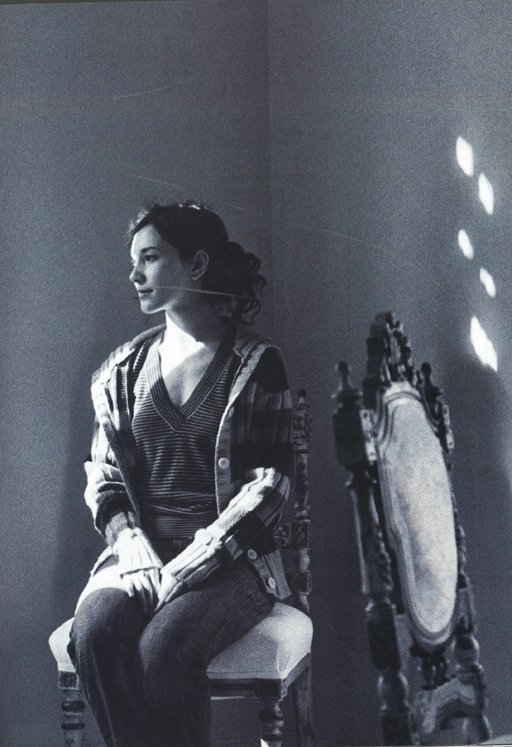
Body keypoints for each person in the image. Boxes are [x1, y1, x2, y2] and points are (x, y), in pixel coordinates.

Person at [68, 200, 293, 747]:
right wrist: (130, 543)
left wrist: (190, 566)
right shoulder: (122, 372)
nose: (134, 274)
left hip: (233, 564)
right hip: (142, 556)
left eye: (150, 258)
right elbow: (104, 476)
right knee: (93, 633)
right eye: (134, 261)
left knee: (163, 649)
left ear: (196, 263)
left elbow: (268, 488)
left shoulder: (255, 364)